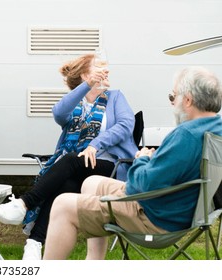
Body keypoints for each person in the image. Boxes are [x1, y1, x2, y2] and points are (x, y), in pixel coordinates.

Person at [42, 66, 222, 260]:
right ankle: (93, 264)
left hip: (155, 218)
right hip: (179, 209)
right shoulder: (215, 129)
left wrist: (142, 158)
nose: (172, 103)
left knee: (62, 205)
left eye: (173, 97)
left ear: (188, 100)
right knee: (91, 182)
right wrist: (155, 160)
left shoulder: (186, 135)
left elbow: (140, 186)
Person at [0, 53, 138, 260]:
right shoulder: (75, 102)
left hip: (110, 167)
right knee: (65, 186)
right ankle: (34, 244)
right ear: (87, 74)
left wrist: (95, 146)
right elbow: (58, 113)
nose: (107, 70)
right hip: (78, 170)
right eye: (100, 66)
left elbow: (125, 126)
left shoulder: (115, 97)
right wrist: (87, 86)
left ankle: (24, 204)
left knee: (70, 160)